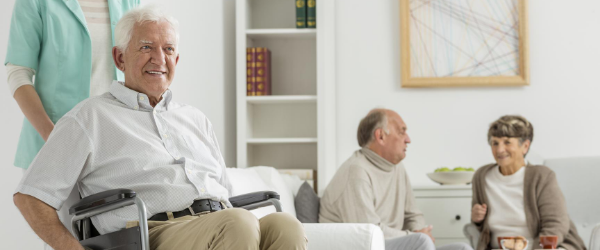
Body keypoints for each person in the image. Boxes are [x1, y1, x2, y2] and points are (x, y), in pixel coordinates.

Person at [13, 5, 307, 250]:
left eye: (168, 49)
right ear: (120, 57)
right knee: (239, 223)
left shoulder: (195, 118)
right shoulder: (90, 117)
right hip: (151, 232)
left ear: (177, 60)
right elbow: (30, 196)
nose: (159, 58)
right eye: (146, 47)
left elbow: (225, 194)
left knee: (286, 226)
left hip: (220, 220)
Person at [5, 1, 138, 247]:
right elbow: (18, 73)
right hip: (52, 144)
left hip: (114, 145)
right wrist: (56, 139)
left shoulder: (128, 2)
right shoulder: (35, 3)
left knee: (122, 236)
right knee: (66, 239)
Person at [319, 108, 472, 250]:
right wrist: (416, 236)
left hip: (391, 243)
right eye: (401, 132)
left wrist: (418, 230)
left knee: (462, 248)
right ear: (381, 136)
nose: (408, 139)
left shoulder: (397, 167)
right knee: (421, 242)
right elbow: (368, 233)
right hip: (365, 246)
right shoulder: (356, 171)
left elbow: (413, 214)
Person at [470, 115, 586, 250]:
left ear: (525, 146)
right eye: (495, 143)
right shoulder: (482, 176)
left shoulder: (541, 176)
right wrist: (477, 219)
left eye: (507, 142)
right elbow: (482, 228)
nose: (499, 150)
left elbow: (556, 224)